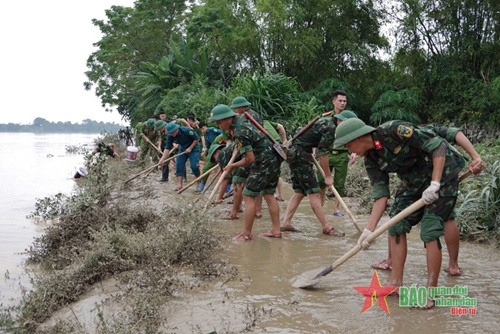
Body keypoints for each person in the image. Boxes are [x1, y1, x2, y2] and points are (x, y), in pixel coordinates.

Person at [334, 118, 483, 309]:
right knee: (396, 221)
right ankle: (395, 283)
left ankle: (430, 292)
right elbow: (381, 197)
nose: (349, 150)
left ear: (359, 137)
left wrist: (435, 184)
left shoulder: (394, 130)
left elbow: (437, 147)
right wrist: (368, 230)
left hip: (444, 172)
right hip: (414, 180)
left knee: (430, 228)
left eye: (348, 145)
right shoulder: (371, 159)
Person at [371, 123, 484, 275]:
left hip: (444, 171)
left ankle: (453, 265)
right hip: (414, 178)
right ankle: (391, 260)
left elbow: (455, 134)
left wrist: (475, 157)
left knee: (445, 215)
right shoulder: (395, 138)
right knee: (397, 215)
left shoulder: (423, 130)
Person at [209, 104, 282, 240]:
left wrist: (232, 165)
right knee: (268, 194)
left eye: (219, 123)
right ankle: (276, 230)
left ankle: (246, 234)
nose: (219, 126)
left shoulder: (239, 131)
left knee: (248, 195)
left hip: (264, 160)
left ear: (228, 119)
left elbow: (249, 159)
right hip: (274, 156)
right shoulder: (242, 118)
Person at [280, 115, 345, 237]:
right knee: (314, 192)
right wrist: (328, 176)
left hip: (295, 153)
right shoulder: (331, 127)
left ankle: (286, 223)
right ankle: (326, 227)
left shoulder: (326, 121)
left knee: (300, 191)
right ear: (340, 120)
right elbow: (323, 154)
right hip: (300, 155)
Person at [317, 90, 357, 216]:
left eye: (344, 101)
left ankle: (336, 208)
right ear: (333, 101)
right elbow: (318, 135)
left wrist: (354, 152)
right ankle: (321, 201)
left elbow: (355, 135)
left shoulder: (350, 117)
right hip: (327, 153)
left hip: (342, 154)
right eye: (340, 100)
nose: (342, 103)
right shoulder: (326, 117)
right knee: (321, 180)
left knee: (339, 183)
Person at [158, 122, 201, 191]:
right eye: (170, 133)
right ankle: (179, 185)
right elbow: (167, 148)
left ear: (176, 130)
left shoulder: (187, 131)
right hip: (183, 149)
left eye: (172, 132)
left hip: (193, 148)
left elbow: (197, 138)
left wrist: (190, 148)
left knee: (194, 166)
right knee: (179, 165)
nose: (171, 134)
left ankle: (199, 183)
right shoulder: (171, 136)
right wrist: (162, 159)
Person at [263, 120, 288, 201]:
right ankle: (280, 195)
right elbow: (280, 126)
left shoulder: (253, 125)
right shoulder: (266, 121)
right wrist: (284, 140)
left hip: (270, 147)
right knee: (277, 172)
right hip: (278, 147)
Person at [196, 122, 223, 192]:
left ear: (205, 126)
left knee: (225, 169)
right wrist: (204, 152)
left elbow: (222, 134)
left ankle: (227, 188)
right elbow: (208, 145)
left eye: (202, 129)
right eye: (201, 130)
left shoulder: (212, 130)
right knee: (206, 168)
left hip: (221, 149)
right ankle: (202, 185)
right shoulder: (206, 135)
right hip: (212, 151)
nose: (202, 131)